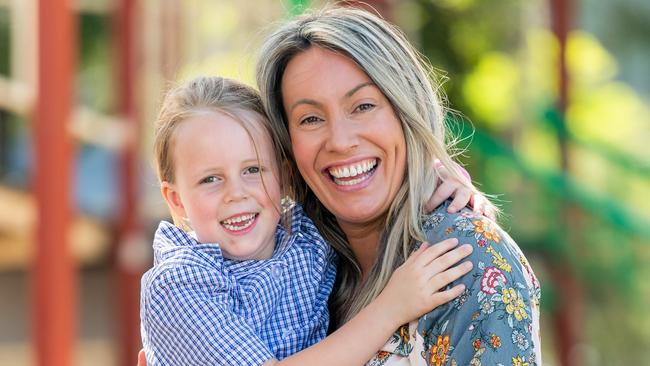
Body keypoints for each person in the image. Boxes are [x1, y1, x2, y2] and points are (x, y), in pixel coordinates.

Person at [255, 6, 541, 365]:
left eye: (363, 106)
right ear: (287, 145)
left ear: (406, 111)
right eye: (310, 118)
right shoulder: (289, 259)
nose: (340, 141)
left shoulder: (465, 261)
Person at [140, 75, 482, 365]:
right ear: (176, 200)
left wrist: (442, 178)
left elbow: (361, 182)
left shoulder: (301, 231)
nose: (236, 193)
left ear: (285, 176)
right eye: (210, 179)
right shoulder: (179, 283)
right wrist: (392, 306)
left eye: (253, 170)